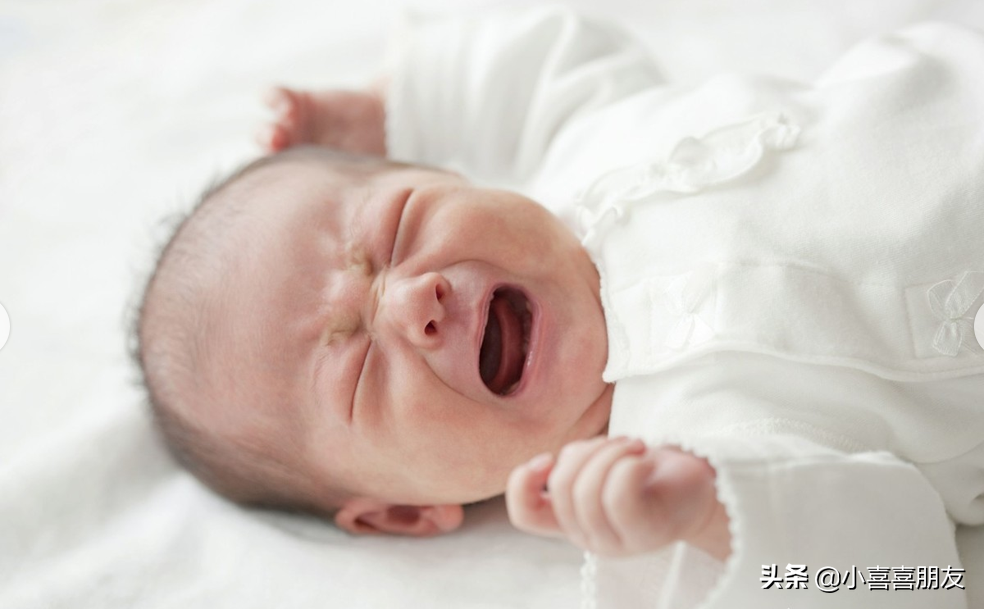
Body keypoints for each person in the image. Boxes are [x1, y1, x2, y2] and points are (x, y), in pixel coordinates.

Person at [136, 5, 984, 607]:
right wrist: (715, 516)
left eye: (398, 223)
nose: (413, 300)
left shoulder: (585, 146)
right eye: (360, 369)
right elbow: (912, 578)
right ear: (404, 512)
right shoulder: (672, 475)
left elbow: (545, 58)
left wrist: (388, 107)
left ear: (446, 170)